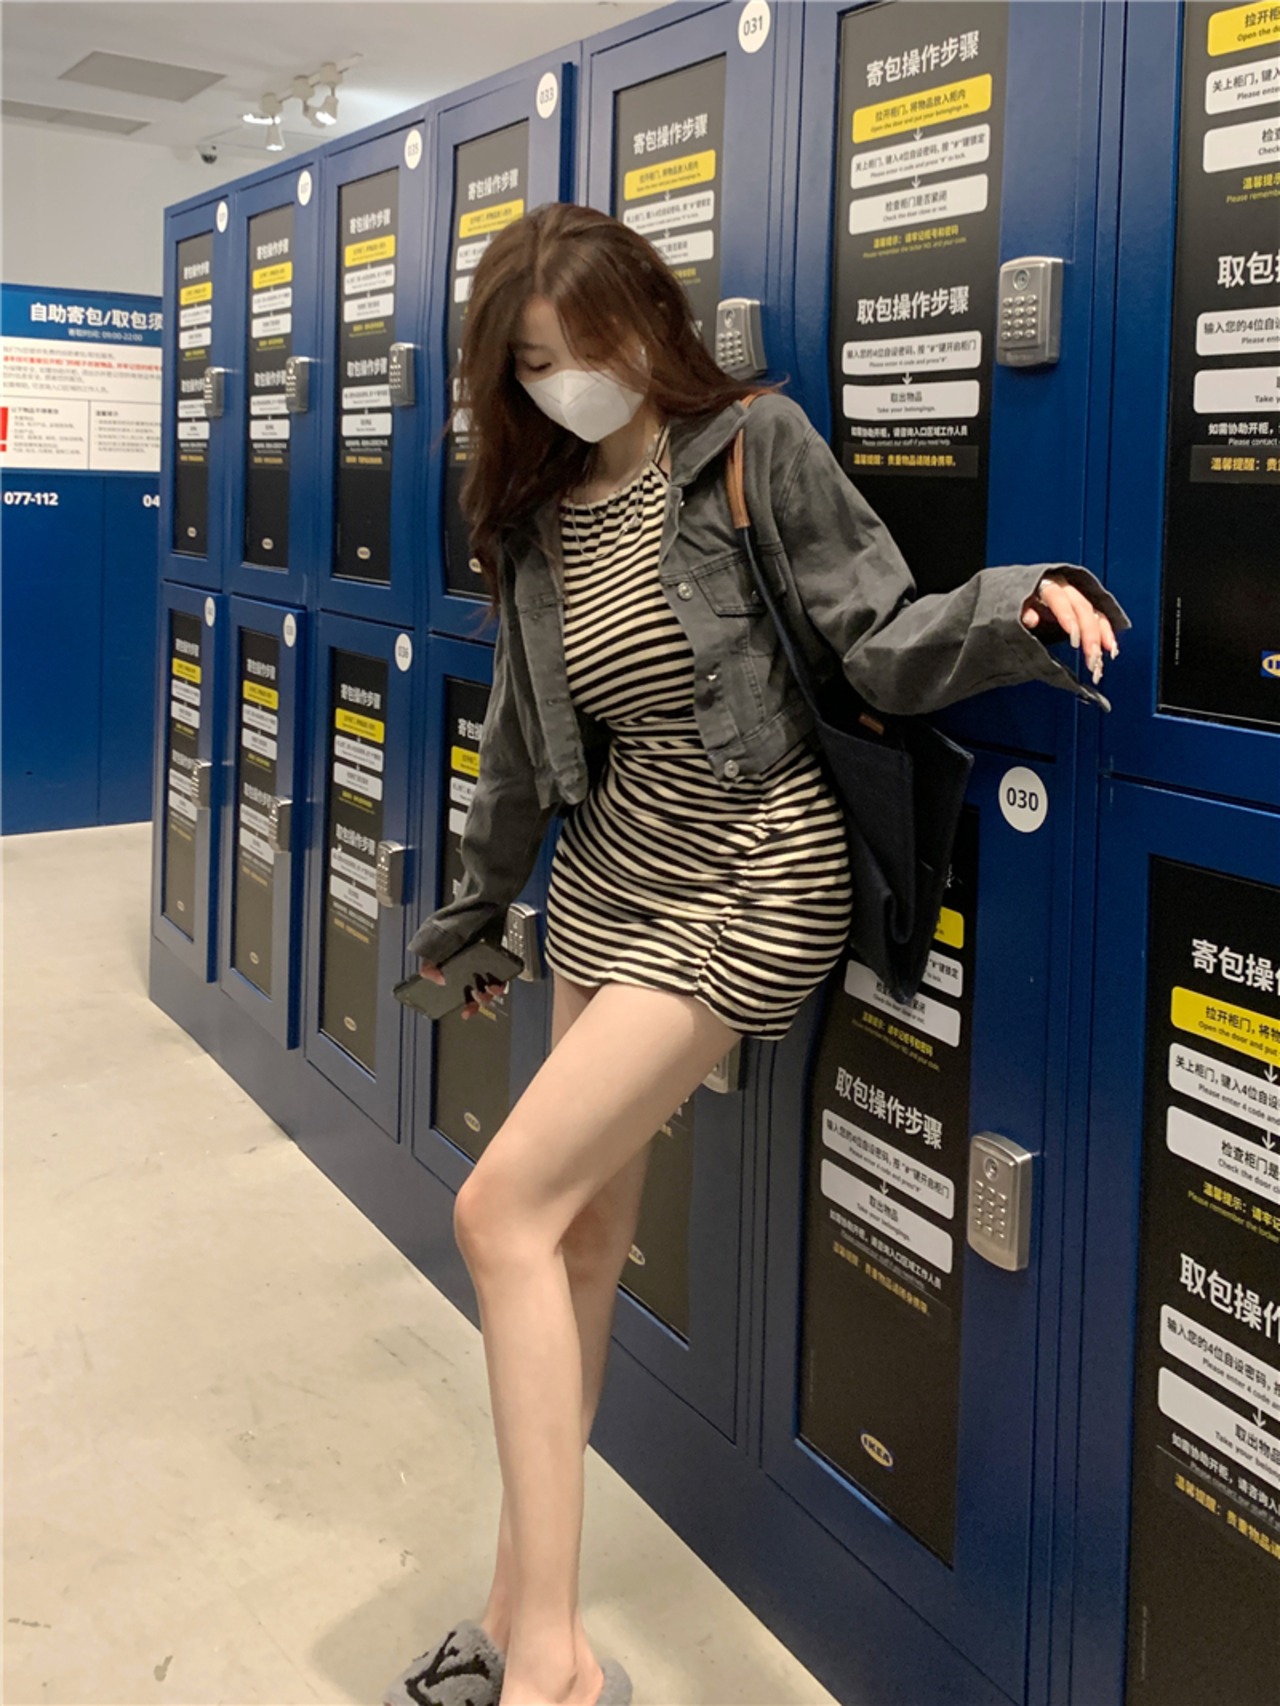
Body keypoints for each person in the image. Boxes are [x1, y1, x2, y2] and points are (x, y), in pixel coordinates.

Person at [382, 203, 1127, 1706]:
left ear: (649, 323)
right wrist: (476, 909)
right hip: (607, 879)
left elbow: (875, 630)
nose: (567, 379)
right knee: (576, 1240)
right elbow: (522, 742)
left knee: (495, 1209)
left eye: (587, 344)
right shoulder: (534, 519)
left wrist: (1020, 601)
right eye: (532, 360)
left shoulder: (749, 449)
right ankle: (522, 1603)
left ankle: (552, 1662)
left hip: (752, 875)